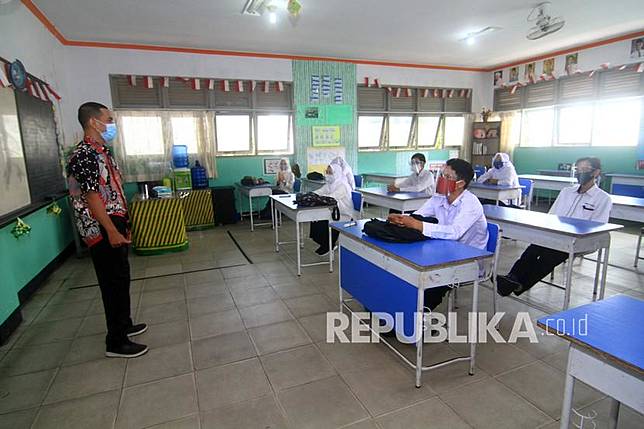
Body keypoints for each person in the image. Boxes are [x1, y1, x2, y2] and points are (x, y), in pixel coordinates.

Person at [67, 102, 148, 358]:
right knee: (111, 282)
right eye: (109, 119)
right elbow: (92, 197)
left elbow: (114, 190)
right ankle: (116, 342)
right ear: (94, 122)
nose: (112, 124)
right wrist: (111, 230)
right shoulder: (84, 155)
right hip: (101, 226)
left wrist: (125, 223)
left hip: (115, 220)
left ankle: (124, 324)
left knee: (121, 276)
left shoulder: (102, 151)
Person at [497, 157, 612, 297]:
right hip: (556, 233)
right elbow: (551, 216)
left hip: (579, 240)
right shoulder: (566, 192)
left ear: (596, 172)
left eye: (585, 169)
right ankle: (512, 277)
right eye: (578, 169)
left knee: (549, 256)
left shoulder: (603, 198)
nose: (580, 173)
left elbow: (598, 227)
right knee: (533, 248)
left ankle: (520, 284)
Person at [388, 158, 488, 310]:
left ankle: (415, 316)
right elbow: (419, 215)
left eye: (447, 177)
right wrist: (401, 219)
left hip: (468, 259)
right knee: (406, 267)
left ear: (460, 183)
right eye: (441, 175)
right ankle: (392, 305)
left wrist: (418, 225)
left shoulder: (471, 204)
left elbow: (454, 232)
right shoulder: (440, 197)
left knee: (431, 279)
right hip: (443, 249)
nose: (441, 179)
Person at [309, 163, 355, 256]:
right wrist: (311, 194)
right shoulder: (330, 184)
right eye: (327, 172)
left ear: (336, 173)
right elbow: (320, 191)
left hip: (343, 213)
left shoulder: (343, 185)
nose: (327, 174)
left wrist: (319, 198)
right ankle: (324, 243)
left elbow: (332, 197)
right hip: (332, 210)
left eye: (330, 172)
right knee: (315, 217)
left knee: (322, 220)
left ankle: (329, 245)